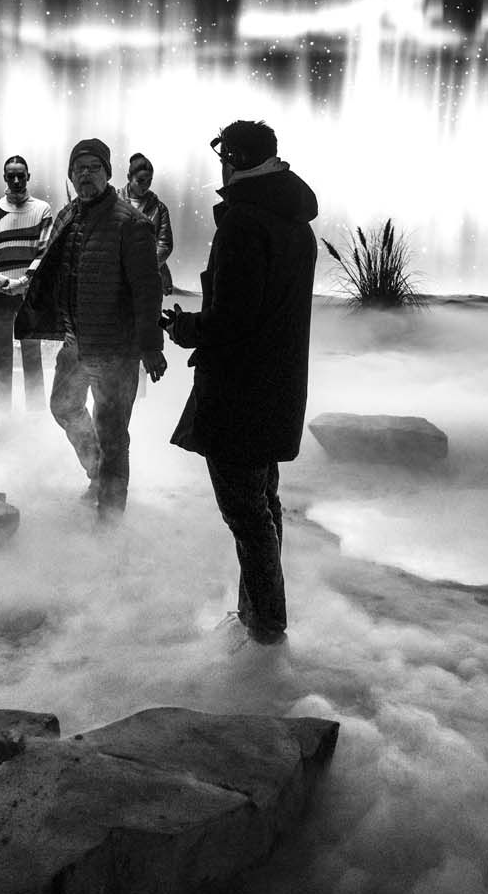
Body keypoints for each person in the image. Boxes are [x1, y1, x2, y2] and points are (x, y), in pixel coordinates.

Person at [162, 120, 318, 646]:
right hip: (275, 390)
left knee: (247, 517)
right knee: (263, 507)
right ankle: (257, 616)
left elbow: (231, 321)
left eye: (224, 155)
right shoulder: (293, 222)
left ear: (234, 159)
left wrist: (184, 328)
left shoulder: (245, 223)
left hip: (238, 395)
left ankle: (266, 629)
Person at [20, 137, 167, 518]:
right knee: (64, 406)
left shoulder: (132, 223)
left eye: (94, 168)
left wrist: (151, 347)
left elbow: (147, 291)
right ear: (71, 175)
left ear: (108, 173)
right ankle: (98, 473)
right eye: (79, 168)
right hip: (75, 344)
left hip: (115, 351)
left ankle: (111, 517)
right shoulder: (68, 216)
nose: (86, 174)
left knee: (113, 432)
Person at [0, 154, 52, 409]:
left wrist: (23, 282)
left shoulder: (42, 209)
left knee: (32, 354)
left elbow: (45, 251)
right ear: (5, 177)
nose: (17, 180)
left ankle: (36, 414)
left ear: (28, 176)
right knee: (2, 355)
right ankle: (2, 413)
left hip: (29, 293)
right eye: (11, 175)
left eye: (21, 175)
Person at [122, 151, 175, 295]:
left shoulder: (160, 208)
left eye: (149, 181)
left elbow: (165, 244)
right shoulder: (114, 202)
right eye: (140, 181)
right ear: (129, 177)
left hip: (147, 278)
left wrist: (145, 268)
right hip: (117, 277)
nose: (145, 186)